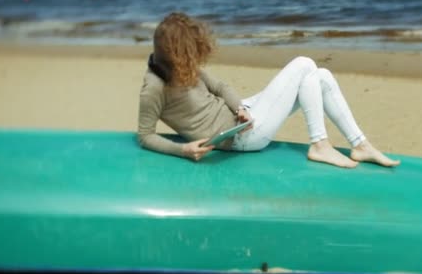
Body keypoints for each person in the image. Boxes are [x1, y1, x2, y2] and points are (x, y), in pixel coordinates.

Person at [138, 12, 400, 168]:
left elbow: (220, 87)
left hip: (244, 118)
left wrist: (240, 108)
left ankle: (360, 144)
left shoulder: (183, 66)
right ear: (174, 53)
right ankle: (320, 145)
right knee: (304, 65)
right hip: (241, 140)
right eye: (189, 50)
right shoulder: (154, 87)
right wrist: (183, 150)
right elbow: (145, 135)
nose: (195, 55)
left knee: (320, 76)